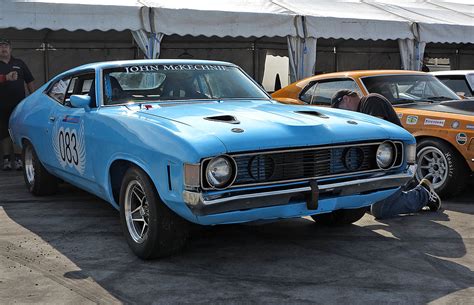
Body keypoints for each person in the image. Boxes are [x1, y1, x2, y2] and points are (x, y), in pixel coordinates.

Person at [331, 89, 441, 219]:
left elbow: (376, 135)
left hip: (396, 164)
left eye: (340, 109)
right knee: (365, 204)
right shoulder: (363, 110)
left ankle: (424, 193)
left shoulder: (371, 101)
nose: (344, 114)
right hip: (385, 165)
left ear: (345, 99)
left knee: (381, 210)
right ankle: (408, 190)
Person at [0, 38, 35, 171]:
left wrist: (33, 98)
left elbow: (30, 80)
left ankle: (20, 159)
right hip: (1, 106)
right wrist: (6, 78)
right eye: (1, 46)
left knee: (18, 131)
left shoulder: (19, 63)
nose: (3, 48)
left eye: (6, 46)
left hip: (19, 105)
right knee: (4, 133)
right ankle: (7, 159)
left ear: (11, 49)